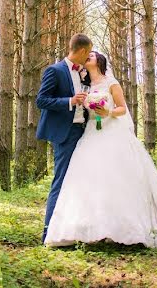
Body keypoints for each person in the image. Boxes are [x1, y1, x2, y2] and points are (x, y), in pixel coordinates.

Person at [43, 51, 157, 248]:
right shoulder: (84, 86)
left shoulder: (111, 82)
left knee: (116, 179)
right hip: (91, 133)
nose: (88, 57)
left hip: (112, 132)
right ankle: (92, 229)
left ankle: (125, 229)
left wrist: (107, 112)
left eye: (92, 56)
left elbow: (122, 109)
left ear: (100, 62)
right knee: (89, 180)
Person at [36, 33, 93, 243]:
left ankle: (73, 231)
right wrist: (69, 100)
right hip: (64, 134)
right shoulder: (55, 70)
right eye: (88, 53)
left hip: (83, 133)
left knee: (79, 182)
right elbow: (41, 100)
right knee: (61, 181)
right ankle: (48, 233)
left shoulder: (83, 74)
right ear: (82, 50)